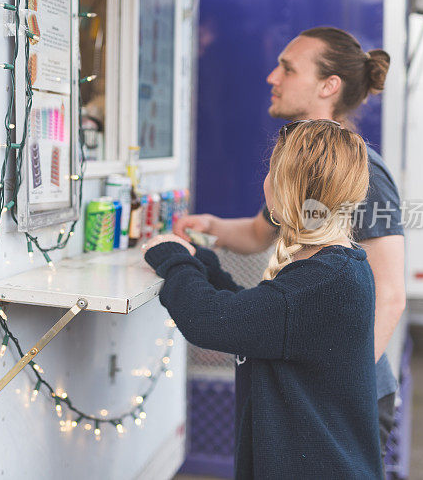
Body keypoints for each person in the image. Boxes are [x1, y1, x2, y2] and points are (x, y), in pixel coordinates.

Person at [175, 27, 406, 461]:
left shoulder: (360, 170)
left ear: (328, 86)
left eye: (287, 67)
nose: (271, 76)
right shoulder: (305, 165)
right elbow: (258, 234)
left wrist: (336, 388)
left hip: (338, 401)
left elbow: (391, 295)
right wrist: (206, 225)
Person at [144, 120, 381, 478]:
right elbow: (255, 317)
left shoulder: (322, 280)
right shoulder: (333, 267)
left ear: (288, 187)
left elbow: (210, 321)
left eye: (272, 170)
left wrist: (173, 258)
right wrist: (201, 263)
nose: (265, 181)